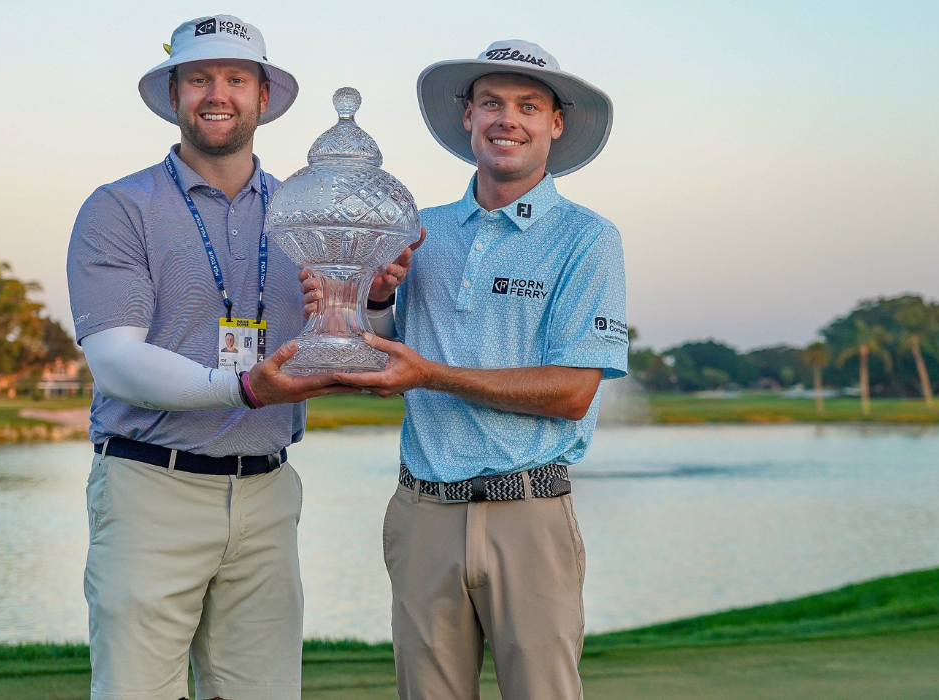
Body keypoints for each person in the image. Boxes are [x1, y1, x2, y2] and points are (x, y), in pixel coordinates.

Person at [66, 15, 417, 700]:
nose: (216, 94)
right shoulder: (119, 208)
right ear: (174, 96)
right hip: (150, 488)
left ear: (263, 98)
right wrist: (244, 388)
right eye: (198, 79)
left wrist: (370, 298)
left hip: (267, 492)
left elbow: (353, 345)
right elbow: (114, 362)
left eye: (234, 79)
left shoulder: (304, 211)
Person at [304, 39, 626, 699]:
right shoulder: (418, 229)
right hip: (423, 514)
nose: (508, 119)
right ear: (468, 118)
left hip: (529, 515)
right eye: (491, 103)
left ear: (554, 125)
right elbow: (374, 355)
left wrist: (432, 375)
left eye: (528, 106)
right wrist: (377, 296)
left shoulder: (587, 238)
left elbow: (572, 391)